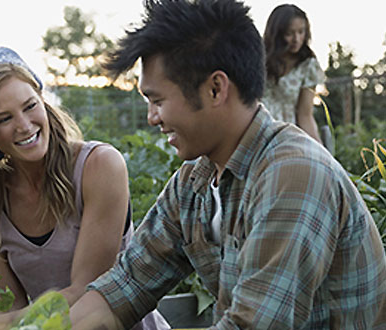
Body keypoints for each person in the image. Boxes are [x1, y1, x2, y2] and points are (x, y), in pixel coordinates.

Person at [69, 0, 386, 329]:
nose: (152, 118)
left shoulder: (293, 174)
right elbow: (127, 284)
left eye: (158, 101)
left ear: (215, 88)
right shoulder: (194, 182)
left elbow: (253, 324)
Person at [0, 47, 169, 329]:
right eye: (4, 119)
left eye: (30, 106)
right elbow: (10, 306)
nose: (25, 126)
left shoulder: (98, 166)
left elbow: (87, 293)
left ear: (42, 99)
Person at [261, 4, 325, 143]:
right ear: (277, 33)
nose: (296, 39)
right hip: (256, 131)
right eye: (289, 33)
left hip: (287, 138)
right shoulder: (258, 58)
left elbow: (305, 115)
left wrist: (322, 154)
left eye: (301, 32)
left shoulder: (308, 65)